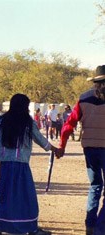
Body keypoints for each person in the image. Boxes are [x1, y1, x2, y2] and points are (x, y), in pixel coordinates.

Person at [0, 94, 58, 235]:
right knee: (26, 197)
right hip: (21, 166)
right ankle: (27, 228)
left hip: (6, 165)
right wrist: (55, 150)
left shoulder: (2, 120)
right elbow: (40, 139)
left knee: (7, 195)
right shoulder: (28, 123)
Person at [58, 65, 105, 235]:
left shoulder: (83, 98)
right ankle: (101, 227)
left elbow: (69, 124)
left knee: (95, 186)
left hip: (90, 149)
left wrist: (62, 146)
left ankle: (90, 226)